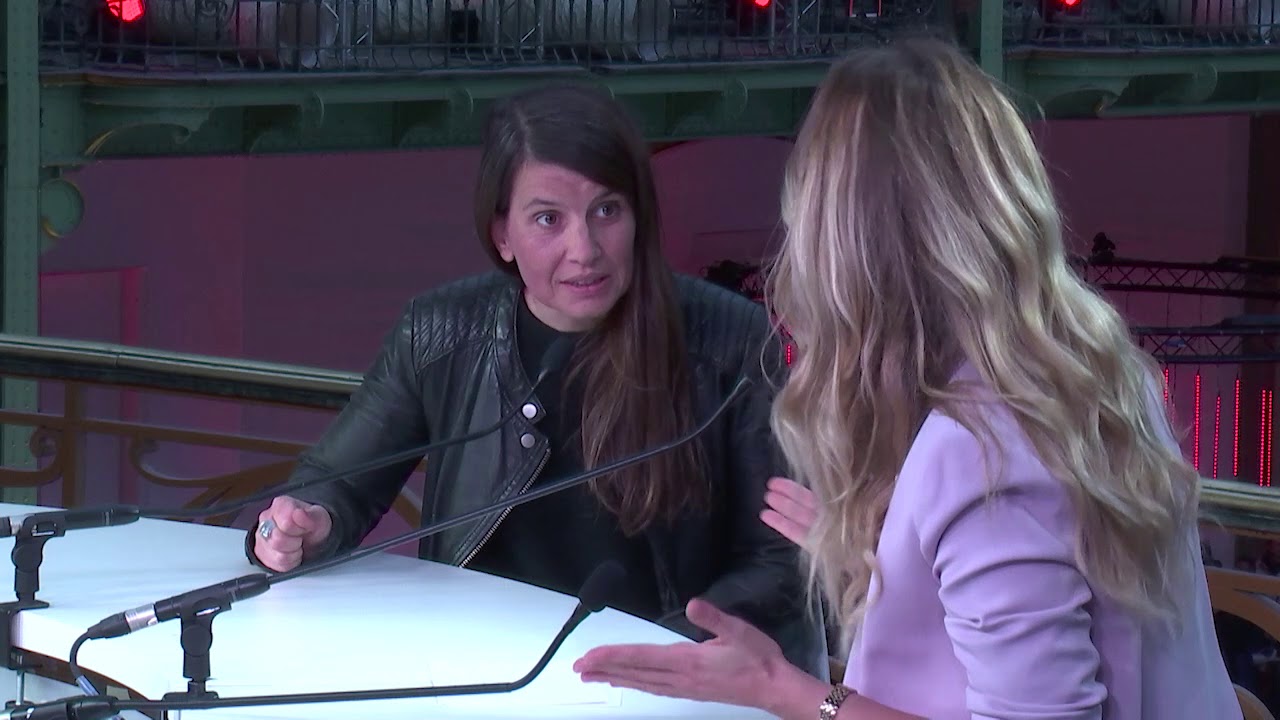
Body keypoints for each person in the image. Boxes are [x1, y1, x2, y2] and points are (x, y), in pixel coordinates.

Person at [571, 36, 1242, 719]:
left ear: (844, 240)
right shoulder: (1096, 368)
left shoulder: (979, 455)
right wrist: (893, 552)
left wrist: (781, 687)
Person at [246, 82, 829, 678]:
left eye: (607, 210)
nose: (585, 249)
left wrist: (658, 650)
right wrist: (302, 526)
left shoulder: (734, 339)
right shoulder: (438, 331)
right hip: (485, 672)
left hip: (665, 677)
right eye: (549, 219)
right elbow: (336, 485)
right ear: (502, 235)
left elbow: (780, 561)